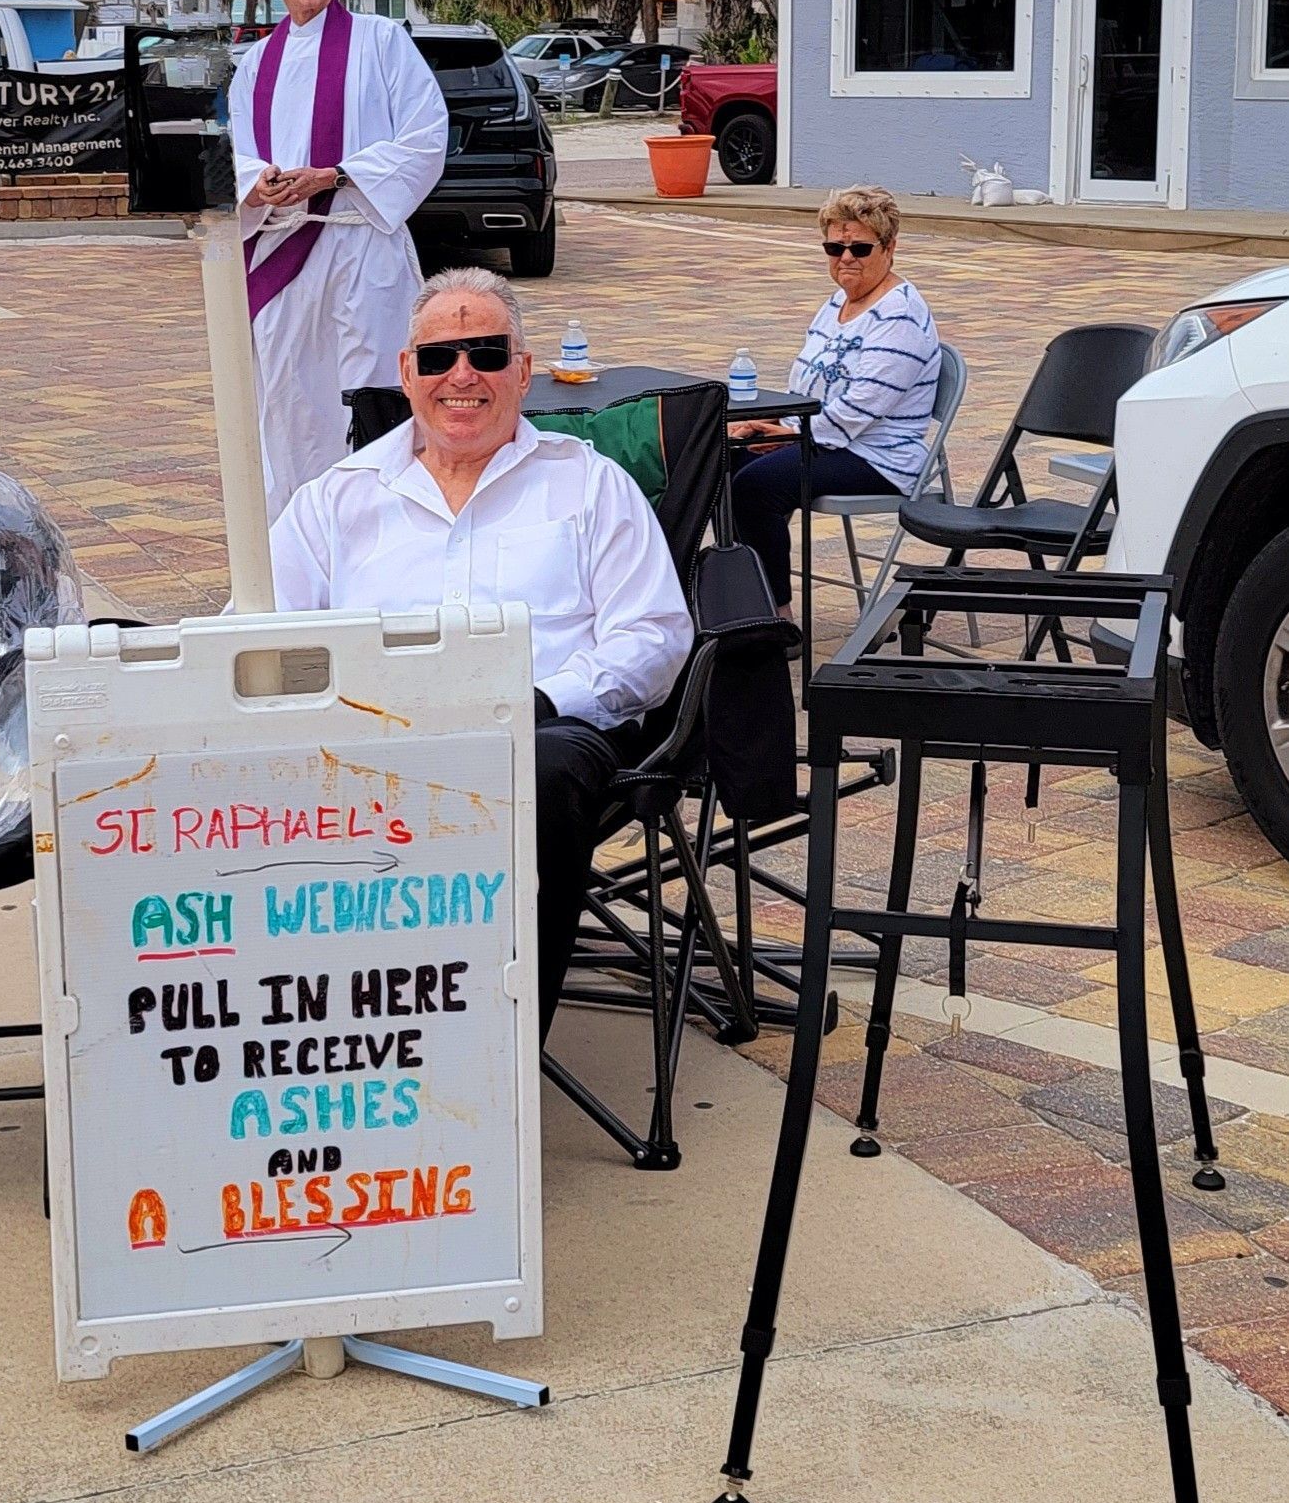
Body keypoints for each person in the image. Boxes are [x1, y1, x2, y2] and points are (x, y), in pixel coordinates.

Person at [270, 264, 693, 1040]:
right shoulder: (335, 499)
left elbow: (655, 636)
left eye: (487, 353)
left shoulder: (591, 487)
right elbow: (257, 631)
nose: (461, 375)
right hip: (369, 737)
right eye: (438, 356)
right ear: (406, 373)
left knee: (539, 765)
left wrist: (541, 699)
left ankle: (492, 1057)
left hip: (542, 736)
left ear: (523, 371)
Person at [230, 0, 449, 519]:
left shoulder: (381, 42)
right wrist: (260, 182)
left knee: (374, 394)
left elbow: (428, 135)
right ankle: (297, 548)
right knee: (290, 405)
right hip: (283, 253)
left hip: (362, 247)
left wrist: (335, 175)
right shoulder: (254, 66)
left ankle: (385, 532)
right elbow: (233, 153)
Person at [730, 184, 942, 622]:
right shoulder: (838, 302)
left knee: (756, 486)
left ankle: (774, 619)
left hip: (879, 456)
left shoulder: (899, 316)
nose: (846, 258)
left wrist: (787, 436)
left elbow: (856, 413)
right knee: (722, 462)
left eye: (860, 248)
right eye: (835, 247)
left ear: (889, 249)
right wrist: (761, 422)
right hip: (822, 439)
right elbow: (805, 384)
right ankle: (737, 600)